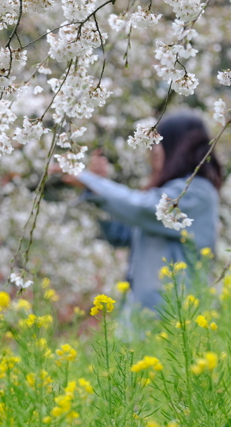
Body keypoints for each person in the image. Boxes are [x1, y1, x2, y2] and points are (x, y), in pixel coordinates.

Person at [67, 112, 222, 313]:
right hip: (144, 312)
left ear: (178, 146)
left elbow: (144, 208)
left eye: (159, 144)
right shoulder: (166, 192)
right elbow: (120, 234)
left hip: (178, 312)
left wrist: (94, 183)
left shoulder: (196, 192)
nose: (153, 151)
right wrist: (95, 192)